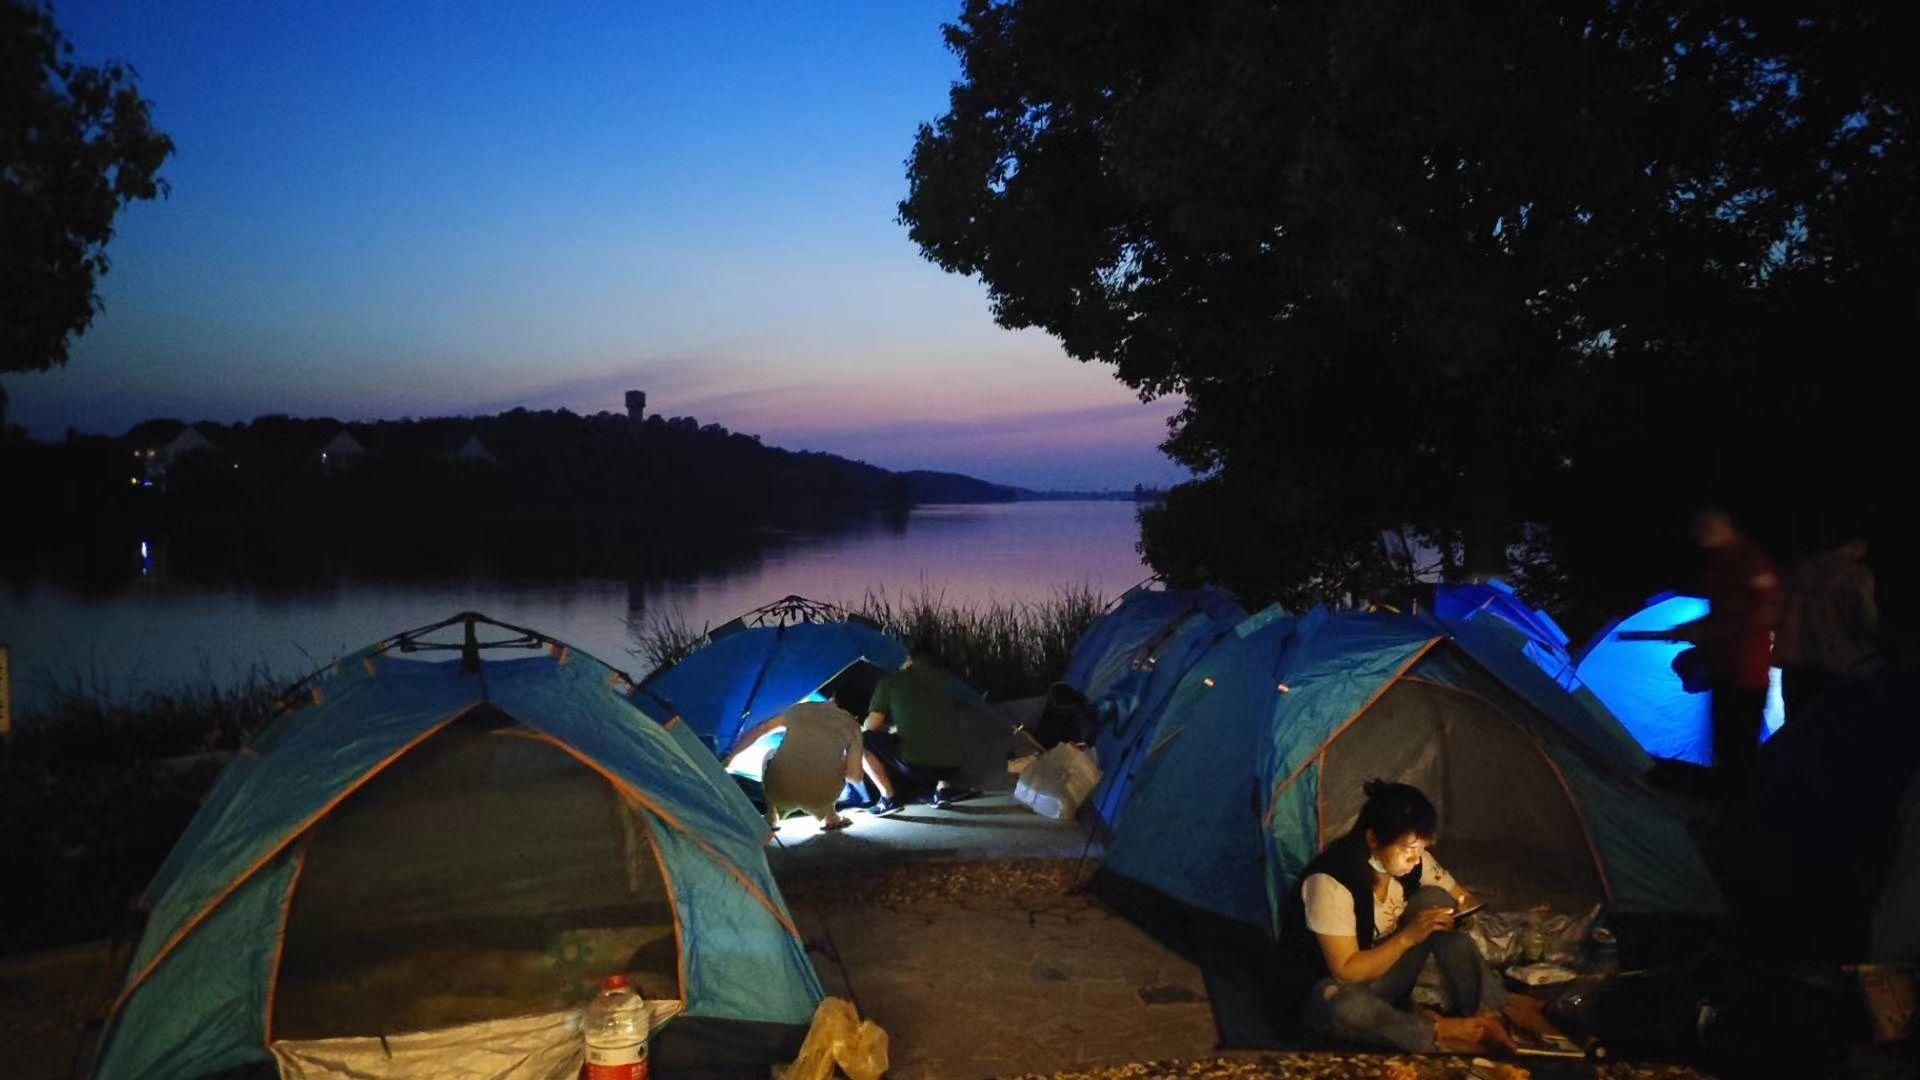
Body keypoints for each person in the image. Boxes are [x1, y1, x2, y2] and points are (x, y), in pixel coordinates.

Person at [1299, 780, 1515, 1055]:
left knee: (1434, 900)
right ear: (1373, 839)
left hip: (1387, 980)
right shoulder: (1331, 880)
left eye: (1421, 849)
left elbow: (1463, 899)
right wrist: (1408, 937)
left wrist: (1462, 917)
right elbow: (1347, 972)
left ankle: (1486, 1015)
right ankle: (1437, 1030)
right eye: (1406, 850)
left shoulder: (1416, 860)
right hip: (1336, 991)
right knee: (1343, 1006)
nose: (1416, 860)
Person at [1669, 508, 1780, 794]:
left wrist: (1712, 631)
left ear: (1724, 524)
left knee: (1739, 749)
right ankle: (1726, 807)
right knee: (1725, 745)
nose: (1697, 534)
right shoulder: (1718, 563)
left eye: (1703, 525)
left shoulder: (1748, 559)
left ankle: (1742, 816)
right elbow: (1724, 613)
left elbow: (1765, 611)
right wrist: (1691, 627)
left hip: (1746, 672)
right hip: (1723, 669)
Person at [725, 698, 874, 833]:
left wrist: (730, 758)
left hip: (781, 792)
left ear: (834, 694)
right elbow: (854, 777)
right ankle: (830, 816)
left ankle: (772, 816)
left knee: (770, 754)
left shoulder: (799, 709)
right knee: (835, 760)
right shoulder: (853, 727)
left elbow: (761, 729)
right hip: (821, 798)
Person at [863, 635, 980, 807]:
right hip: (955, 763)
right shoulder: (950, 681)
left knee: (860, 740)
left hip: (916, 764)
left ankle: (888, 798)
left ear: (909, 658)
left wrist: (888, 729)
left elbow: (871, 725)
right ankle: (944, 787)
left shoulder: (892, 682)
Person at [1774, 535, 1878, 721]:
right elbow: (1865, 621)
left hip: (1796, 667)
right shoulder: (1856, 575)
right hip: (1841, 667)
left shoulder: (1793, 572)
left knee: (1798, 734)